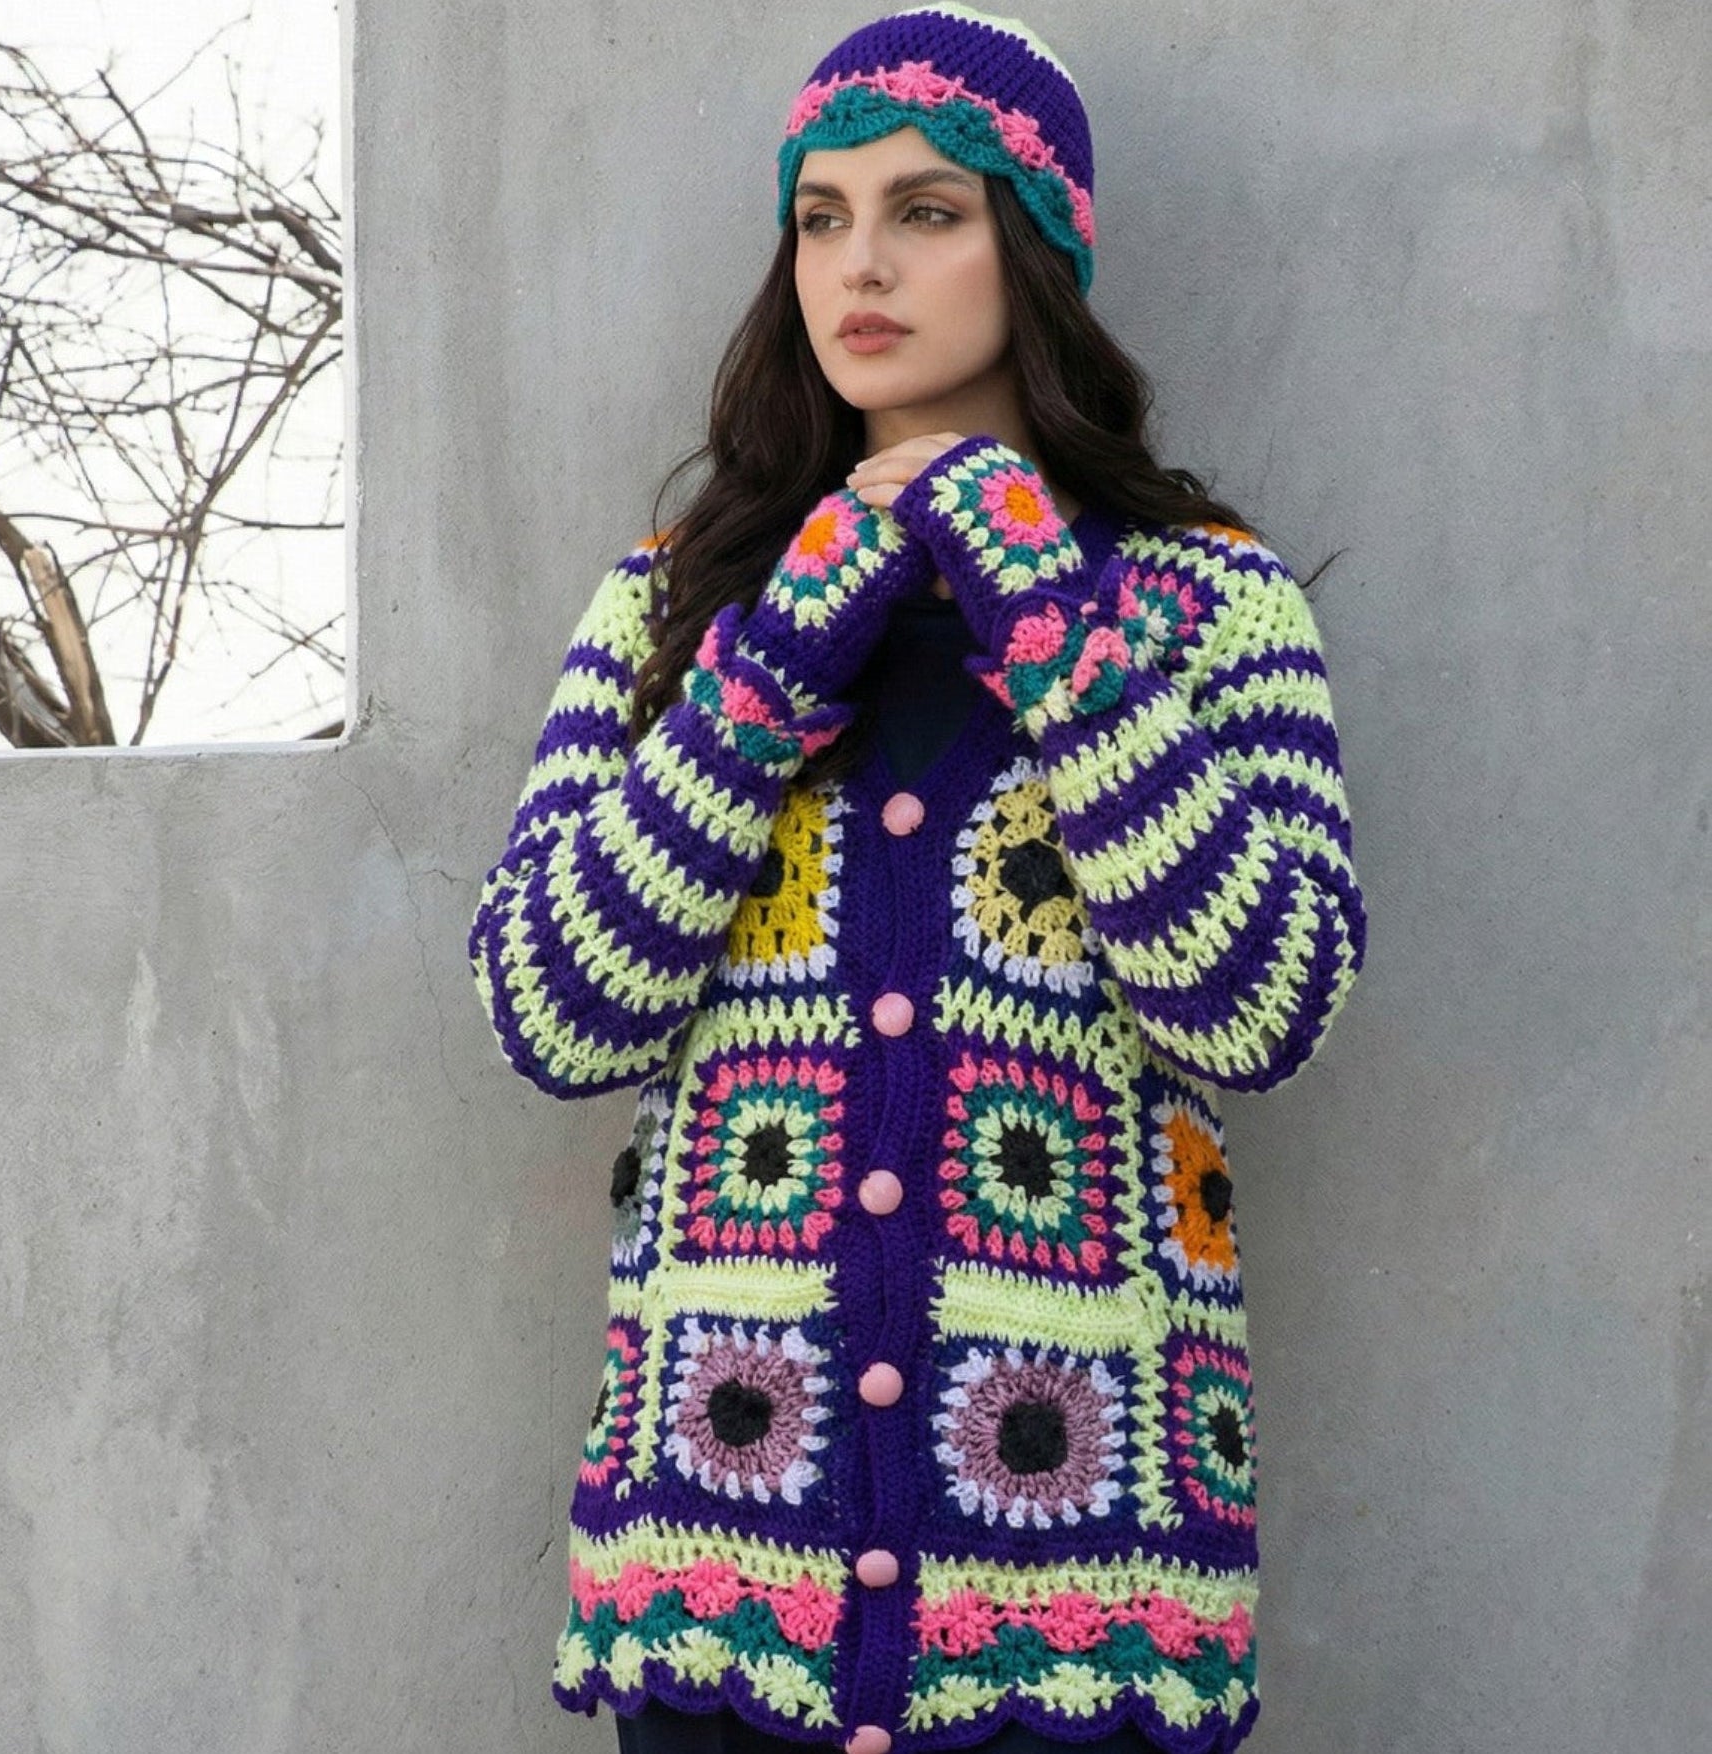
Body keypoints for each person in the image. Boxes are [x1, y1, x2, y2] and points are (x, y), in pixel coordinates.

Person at [467, 8, 1367, 1753]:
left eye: (926, 210)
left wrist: (1044, 607)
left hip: (1078, 1592)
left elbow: (1262, 1007)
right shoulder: (677, 602)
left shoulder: (1201, 598)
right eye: (820, 216)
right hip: (728, 1570)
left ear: (1032, 250)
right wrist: (771, 660)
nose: (858, 261)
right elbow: (548, 1014)